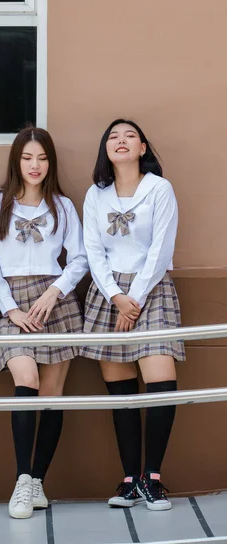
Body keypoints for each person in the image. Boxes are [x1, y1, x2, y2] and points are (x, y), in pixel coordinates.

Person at [0, 126, 88, 519]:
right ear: (16, 160)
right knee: (25, 377)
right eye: (27, 157)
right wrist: (11, 309)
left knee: (52, 394)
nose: (35, 165)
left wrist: (55, 290)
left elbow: (79, 258)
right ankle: (22, 481)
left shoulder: (62, 206)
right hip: (11, 303)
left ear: (50, 162)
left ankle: (38, 481)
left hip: (54, 301)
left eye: (41, 158)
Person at [79, 118, 184, 511]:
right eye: (113, 137)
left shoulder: (159, 189)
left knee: (160, 380)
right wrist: (115, 296)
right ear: (106, 149)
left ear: (142, 148)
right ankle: (128, 479)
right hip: (109, 294)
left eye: (130, 136)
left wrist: (134, 297)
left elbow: (161, 247)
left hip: (150, 289)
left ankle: (152, 478)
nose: (121, 141)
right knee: (121, 390)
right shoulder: (95, 194)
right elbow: (93, 249)